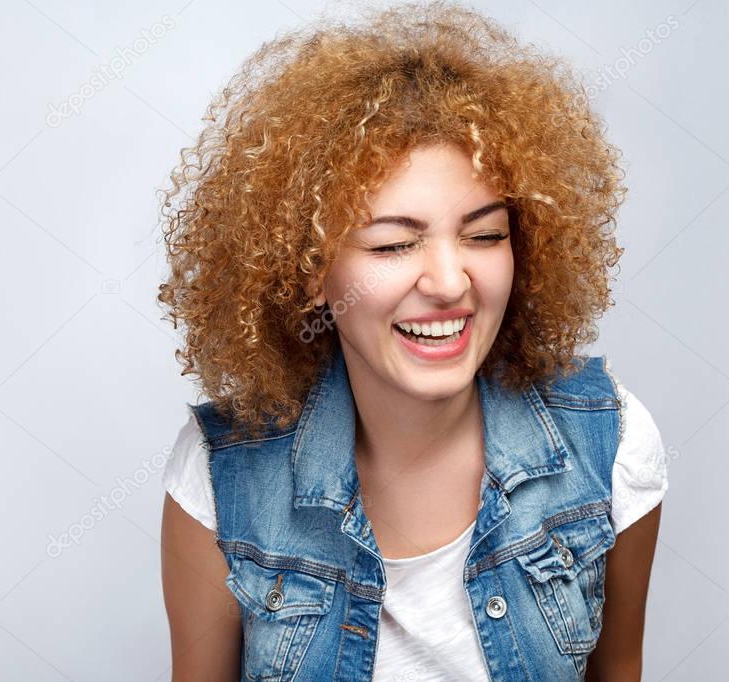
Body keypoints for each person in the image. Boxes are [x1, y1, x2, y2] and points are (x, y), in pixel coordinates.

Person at [157, 2, 667, 680]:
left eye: (485, 235)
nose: (451, 281)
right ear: (310, 270)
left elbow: (619, 669)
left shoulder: (610, 445)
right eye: (395, 243)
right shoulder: (222, 476)